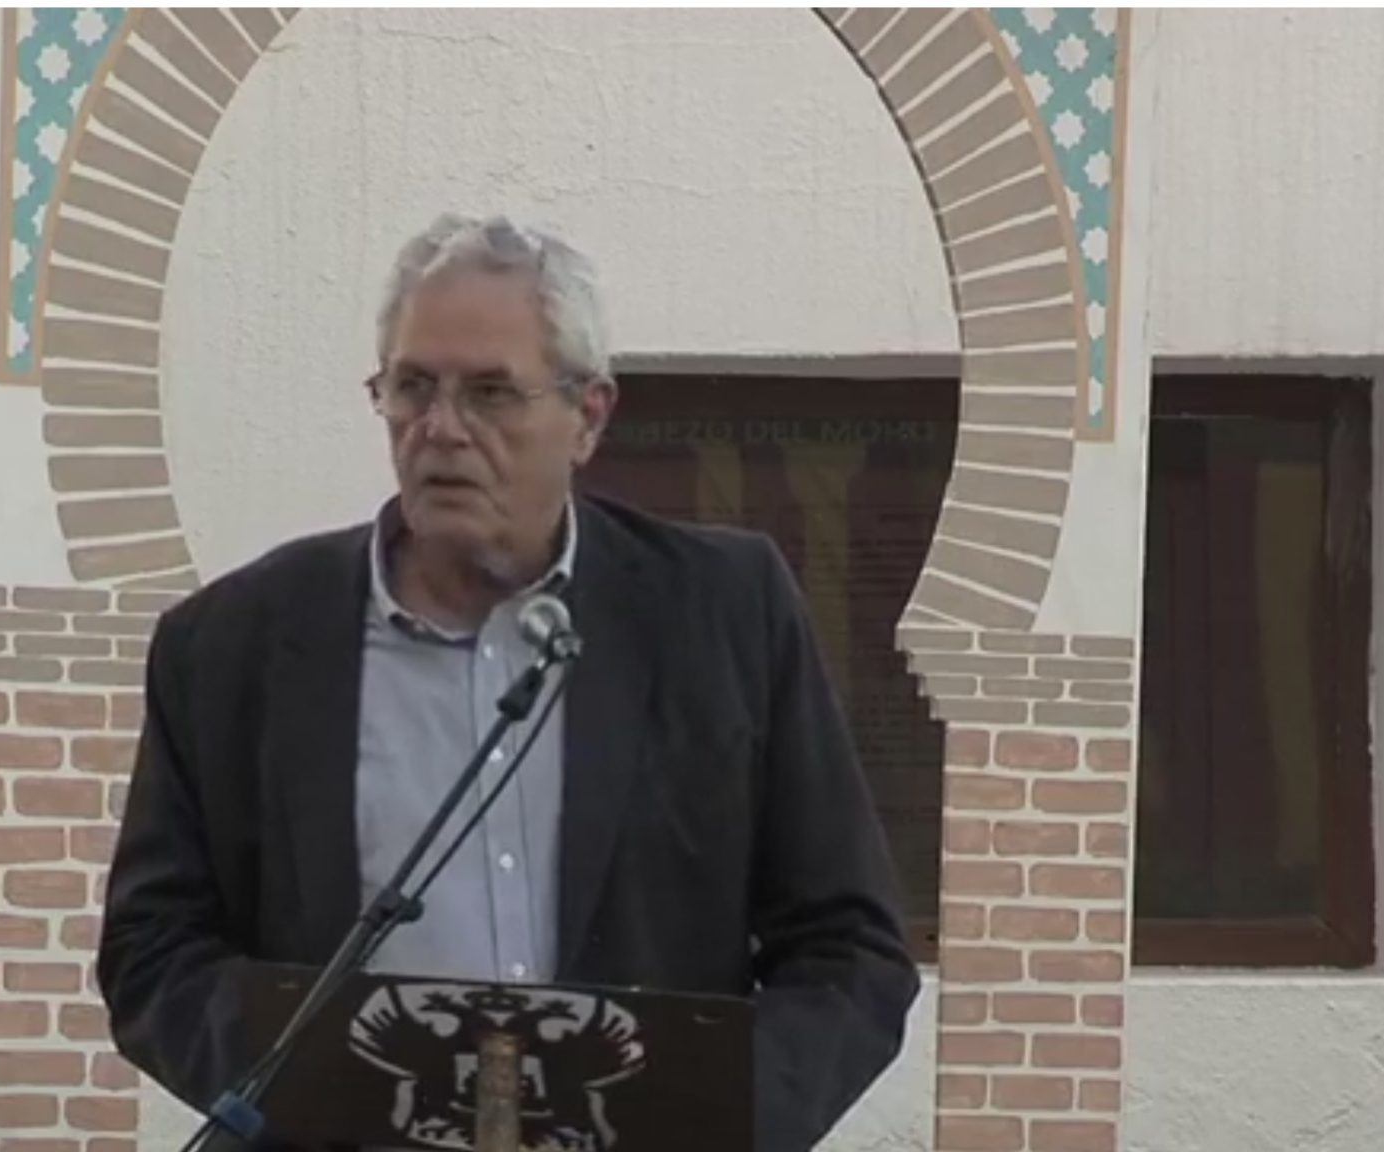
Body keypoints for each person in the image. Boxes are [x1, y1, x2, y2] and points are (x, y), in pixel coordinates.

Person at [98, 213, 920, 1152]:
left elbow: (850, 951)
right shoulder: (231, 646)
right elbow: (154, 952)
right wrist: (327, 1097)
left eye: (490, 393)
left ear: (588, 417)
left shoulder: (726, 614)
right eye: (413, 387)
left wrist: (706, 1118)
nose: (442, 429)